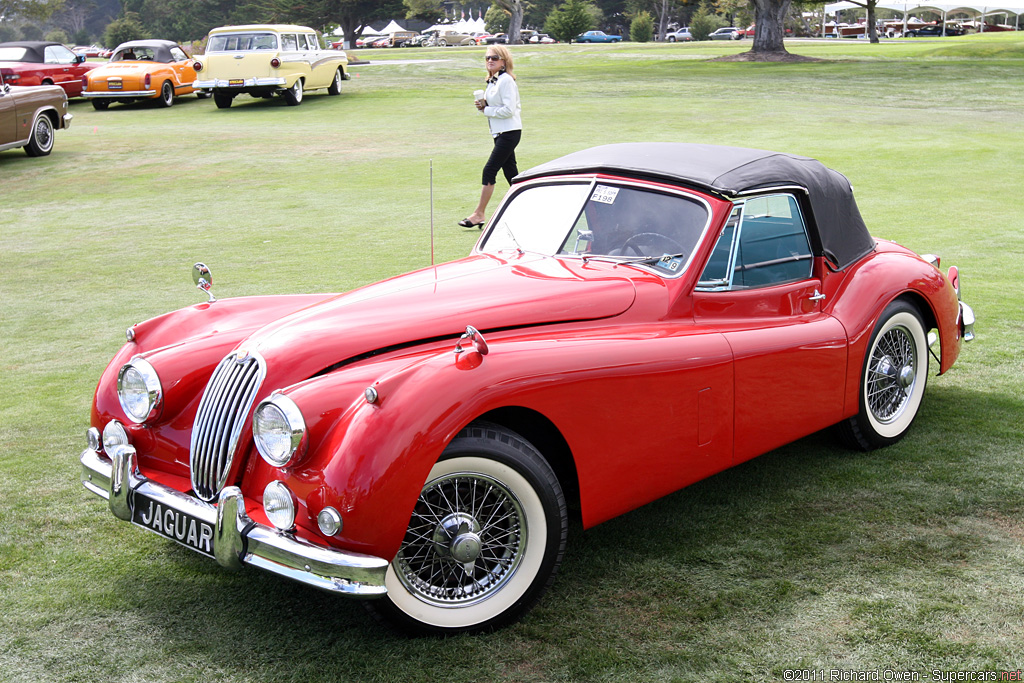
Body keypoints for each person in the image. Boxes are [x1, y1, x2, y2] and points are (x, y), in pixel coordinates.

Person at [459, 45, 521, 229]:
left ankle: (479, 214)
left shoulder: (506, 81)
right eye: (487, 58)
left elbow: (509, 110)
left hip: (509, 132)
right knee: (511, 175)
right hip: (499, 132)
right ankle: (525, 209)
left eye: (494, 58)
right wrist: (484, 105)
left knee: (489, 170)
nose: (490, 61)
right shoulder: (493, 81)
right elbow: (496, 106)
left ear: (503, 62)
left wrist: (486, 109)